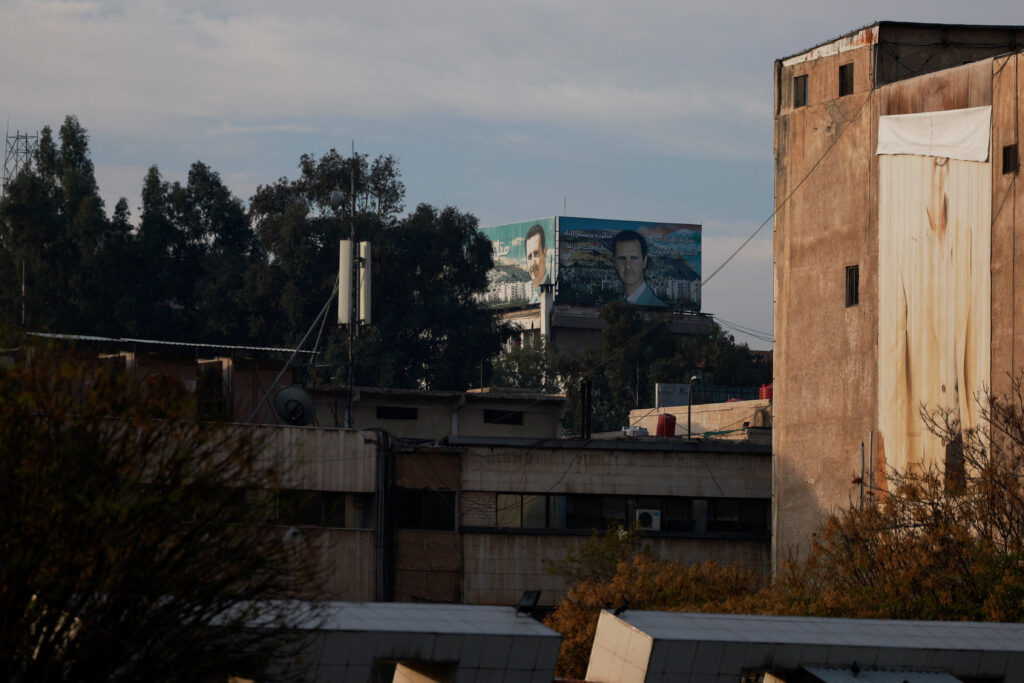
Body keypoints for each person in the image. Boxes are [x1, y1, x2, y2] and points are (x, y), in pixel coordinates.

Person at [610, 230, 668, 307]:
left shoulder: (660, 310)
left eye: (634, 258)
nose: (628, 266)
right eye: (622, 258)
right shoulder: (616, 307)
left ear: (644, 261)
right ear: (615, 263)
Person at [525, 224, 549, 304]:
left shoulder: (551, 294)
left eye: (536, 254)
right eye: (529, 257)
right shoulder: (533, 299)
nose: (532, 263)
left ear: (544, 253)